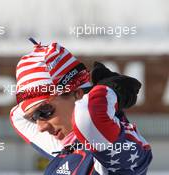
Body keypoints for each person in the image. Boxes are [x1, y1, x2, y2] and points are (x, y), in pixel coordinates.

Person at [10, 39, 152, 175]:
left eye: (44, 111)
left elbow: (89, 117)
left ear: (77, 94)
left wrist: (110, 90)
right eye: (34, 118)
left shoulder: (113, 148)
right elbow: (17, 117)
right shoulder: (65, 146)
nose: (40, 127)